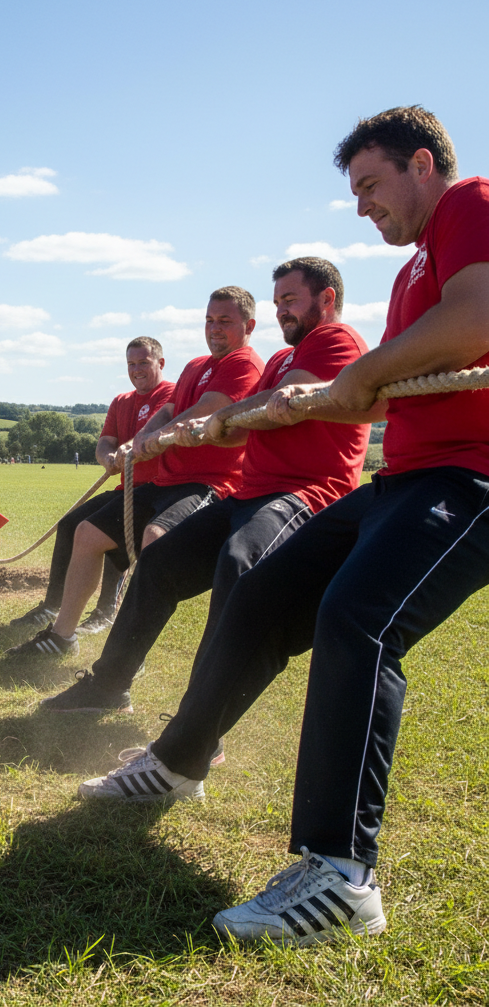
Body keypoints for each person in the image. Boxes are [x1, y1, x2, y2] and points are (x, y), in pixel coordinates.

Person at [82, 106, 489, 945]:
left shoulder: (471, 202)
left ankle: (342, 877)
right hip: (403, 477)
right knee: (264, 597)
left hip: (469, 478)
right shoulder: (418, 264)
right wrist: (368, 385)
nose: (362, 206)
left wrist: (365, 375)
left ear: (423, 164)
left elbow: (477, 318)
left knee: (359, 621)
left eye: (371, 185)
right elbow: (419, 361)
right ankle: (178, 762)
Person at [45, 259, 370, 714]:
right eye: (278, 302)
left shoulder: (338, 340)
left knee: (236, 566)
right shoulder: (279, 357)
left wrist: (215, 417)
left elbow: (285, 399)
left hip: (302, 496)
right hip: (250, 493)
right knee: (159, 561)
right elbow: (242, 426)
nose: (283, 312)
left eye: (290, 300)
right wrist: (206, 426)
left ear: (327, 299)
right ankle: (108, 687)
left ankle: (197, 720)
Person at [8, 291, 265, 656]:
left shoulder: (245, 363)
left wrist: (156, 436)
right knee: (85, 532)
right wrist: (147, 435)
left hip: (209, 482)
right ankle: (62, 636)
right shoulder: (195, 366)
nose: (214, 329)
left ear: (248, 326)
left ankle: (124, 650)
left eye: (225, 322)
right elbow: (172, 410)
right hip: (166, 480)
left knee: (155, 537)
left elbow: (211, 408)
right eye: (209, 320)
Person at [8, 338, 174, 638]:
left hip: (158, 489)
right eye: (130, 364)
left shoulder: (171, 395)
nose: (136, 370)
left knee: (110, 535)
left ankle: (106, 611)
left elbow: (151, 433)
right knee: (71, 524)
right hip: (126, 486)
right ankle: (52, 605)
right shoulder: (121, 402)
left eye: (143, 363)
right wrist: (107, 458)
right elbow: (105, 442)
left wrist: (125, 449)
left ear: (160, 363)